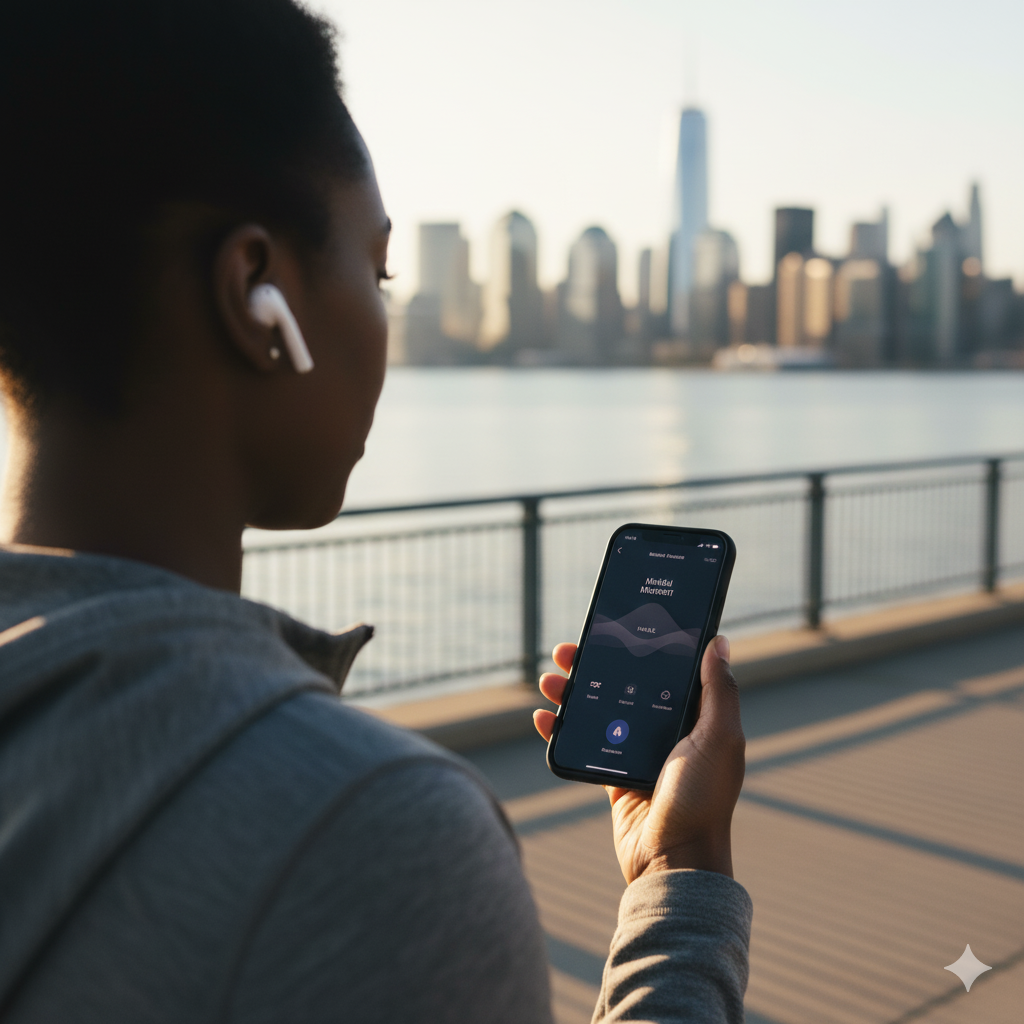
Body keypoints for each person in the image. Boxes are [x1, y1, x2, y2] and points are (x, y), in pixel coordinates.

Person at [0, 1, 751, 1021]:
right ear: (258, 295)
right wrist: (682, 869)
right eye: (379, 269)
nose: (385, 315)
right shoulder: (371, 835)